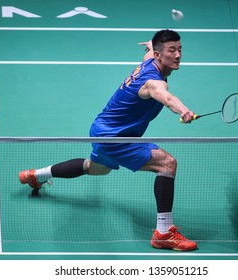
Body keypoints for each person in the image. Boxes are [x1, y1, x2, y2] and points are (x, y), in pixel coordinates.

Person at [19, 29, 197, 251]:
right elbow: (167, 98)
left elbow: (149, 54)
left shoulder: (150, 60)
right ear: (160, 56)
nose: (178, 55)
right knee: (167, 163)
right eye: (172, 50)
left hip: (102, 129)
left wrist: (152, 45)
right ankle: (163, 232)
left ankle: (36, 175)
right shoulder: (154, 82)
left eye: (180, 49)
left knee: (96, 168)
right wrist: (183, 110)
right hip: (115, 138)